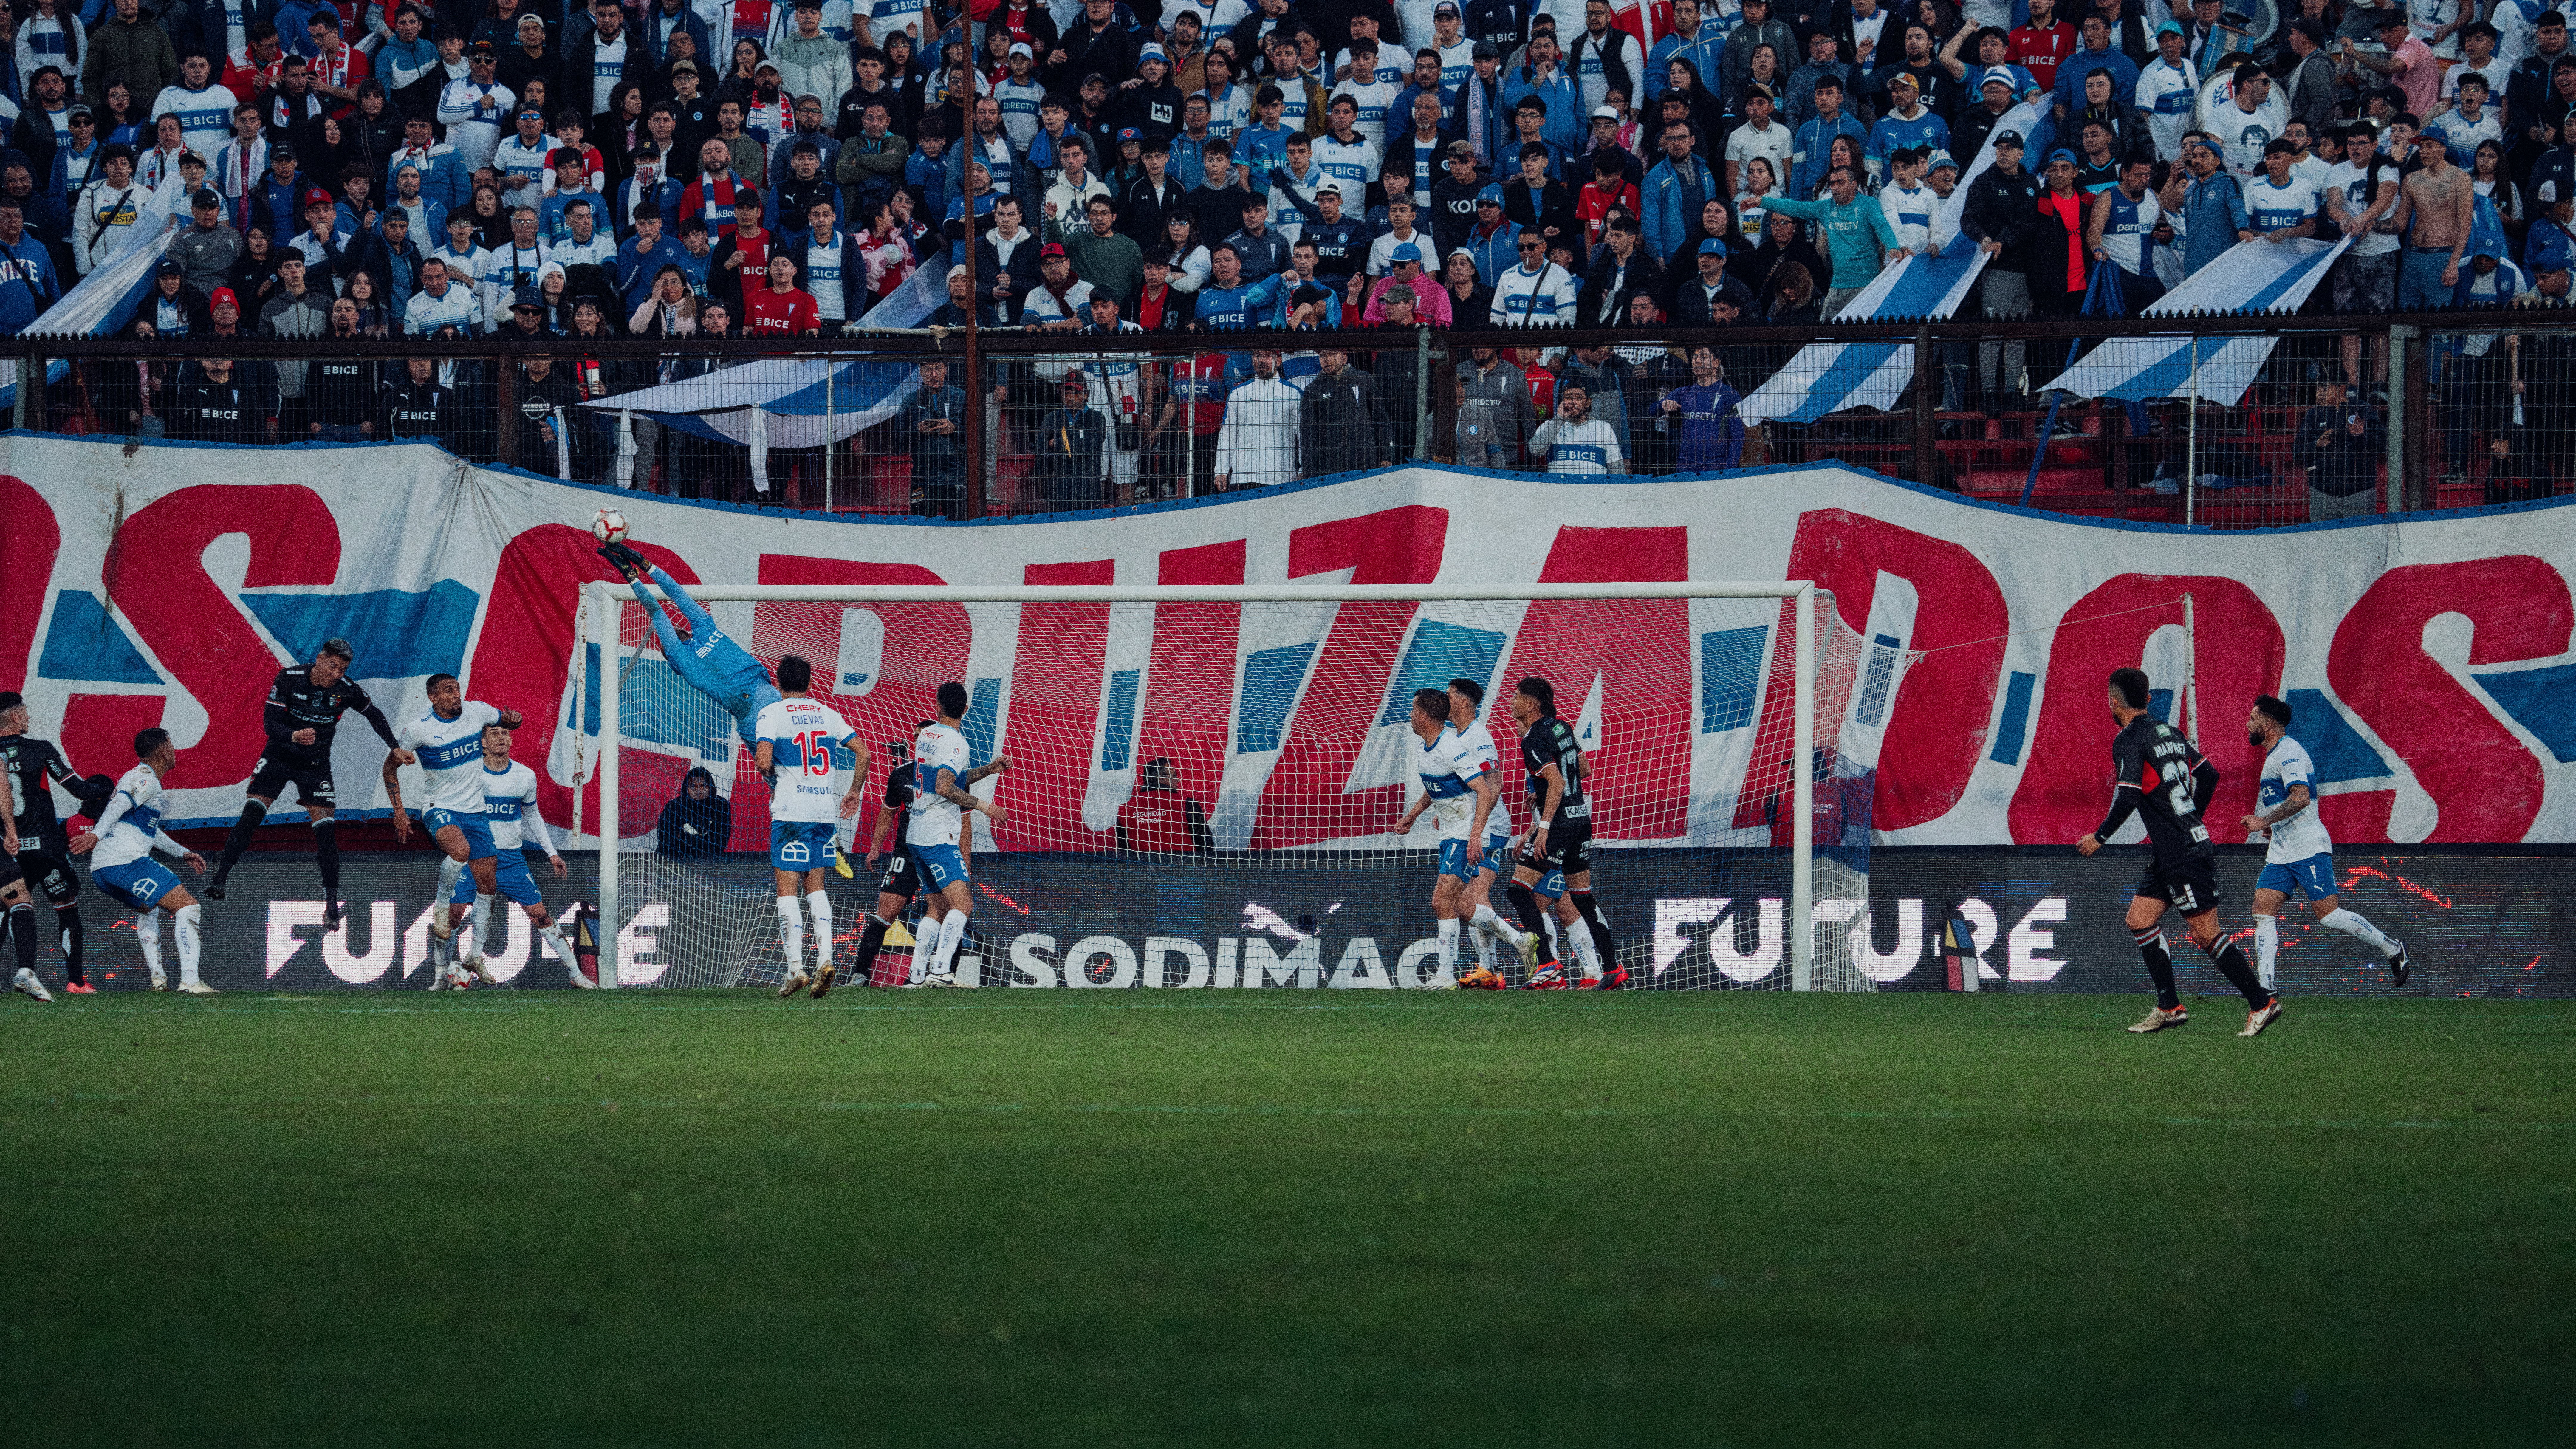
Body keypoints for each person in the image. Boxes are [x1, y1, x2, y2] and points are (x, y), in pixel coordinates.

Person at [2077, 667, 2281, 1036]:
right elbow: (2211, 776)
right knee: (2140, 919)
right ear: (2150, 699)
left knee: (2206, 934)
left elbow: (2128, 795)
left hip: (2183, 852)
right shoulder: (2170, 733)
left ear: (2112, 702)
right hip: (2176, 848)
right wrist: (2189, 820)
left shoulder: (2128, 740)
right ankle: (2169, 1006)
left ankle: (2261, 1002)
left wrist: (2100, 837)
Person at [202, 639, 411, 929]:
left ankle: (331, 909)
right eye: (332, 666)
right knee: (252, 815)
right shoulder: (290, 679)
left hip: (315, 765)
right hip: (279, 755)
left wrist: (395, 747)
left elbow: (374, 715)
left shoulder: (347, 689)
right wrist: (293, 736)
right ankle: (221, 879)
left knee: (327, 833)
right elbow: (270, 724)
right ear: (319, 659)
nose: (336, 674)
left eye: (343, 669)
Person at [2238, 695, 2411, 993]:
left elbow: (2301, 797)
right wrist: (2274, 828)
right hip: (2282, 849)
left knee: (2328, 915)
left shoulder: (2288, 752)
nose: (2247, 724)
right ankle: (2266, 990)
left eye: (2253, 719)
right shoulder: (2275, 756)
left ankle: (2393, 949)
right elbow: (2293, 802)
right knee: (2262, 910)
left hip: (2307, 847)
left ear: (2267, 725)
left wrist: (2264, 821)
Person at [384, 675, 526, 982]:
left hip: (475, 812)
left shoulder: (479, 712)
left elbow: (506, 720)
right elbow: (390, 766)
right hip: (440, 807)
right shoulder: (419, 729)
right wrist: (398, 811)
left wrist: (515, 720)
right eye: (449, 691)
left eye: (458, 689)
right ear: (434, 699)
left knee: (488, 887)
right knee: (460, 852)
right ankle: (441, 906)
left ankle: (475, 955)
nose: (457, 695)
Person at [431, 724, 592, 991]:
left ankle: (577, 976)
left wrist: (551, 853)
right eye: (494, 733)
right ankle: (440, 979)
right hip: (475, 859)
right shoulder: (468, 776)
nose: (502, 737)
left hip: (510, 861)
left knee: (541, 917)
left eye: (505, 733)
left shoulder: (525, 776)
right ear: (482, 742)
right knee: (453, 917)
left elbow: (532, 816)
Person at [746, 654, 866, 998]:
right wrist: (854, 791)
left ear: (778, 684)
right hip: (823, 812)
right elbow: (865, 754)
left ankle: (795, 968)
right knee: (817, 889)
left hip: (790, 812)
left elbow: (763, 761)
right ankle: (826, 959)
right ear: (811, 683)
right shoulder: (828, 714)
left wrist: (771, 774)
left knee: (788, 892)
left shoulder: (772, 713)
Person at [1393, 687, 1523, 990]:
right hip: (1453, 833)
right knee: (1464, 908)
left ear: (1423, 716)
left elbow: (1487, 787)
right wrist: (1414, 814)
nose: (1410, 716)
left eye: (1413, 711)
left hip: (1467, 834)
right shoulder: (1430, 747)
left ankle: (1448, 974)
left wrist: (1476, 835)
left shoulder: (1458, 743)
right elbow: (1441, 786)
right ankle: (1521, 940)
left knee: (1442, 902)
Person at [68, 728, 211, 995]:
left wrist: (182, 852)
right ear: (165, 752)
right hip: (125, 862)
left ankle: (158, 979)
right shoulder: (145, 777)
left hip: (103, 870)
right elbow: (119, 803)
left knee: (150, 909)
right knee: (189, 908)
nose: (175, 750)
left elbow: (149, 830)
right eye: (172, 744)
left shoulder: (138, 779)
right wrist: (96, 835)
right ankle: (191, 982)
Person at [598, 543, 781, 750]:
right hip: (754, 710)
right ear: (673, 662)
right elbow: (658, 612)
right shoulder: (685, 661)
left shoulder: (704, 629)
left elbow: (677, 594)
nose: (668, 637)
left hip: (767, 694)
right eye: (665, 646)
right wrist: (633, 577)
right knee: (778, 772)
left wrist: (643, 565)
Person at [1502, 674, 1620, 989]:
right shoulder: (1562, 726)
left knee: (1517, 891)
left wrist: (1542, 828)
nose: (1511, 702)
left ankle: (1548, 964)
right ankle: (1613, 968)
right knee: (1582, 897)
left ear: (1530, 705)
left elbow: (1557, 781)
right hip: (1581, 820)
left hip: (1558, 825)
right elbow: (1584, 770)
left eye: (1515, 698)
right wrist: (1541, 793)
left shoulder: (1532, 739)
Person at [0, 691, 108, 995]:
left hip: (9, 850)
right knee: (67, 909)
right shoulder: (40, 749)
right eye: (26, 711)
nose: (30, 716)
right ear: (16, 718)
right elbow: (80, 789)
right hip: (46, 850)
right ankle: (76, 982)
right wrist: (105, 787)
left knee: (6, 907)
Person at [902, 682, 1008, 990]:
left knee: (938, 908)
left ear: (937, 706)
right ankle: (941, 972)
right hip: (938, 834)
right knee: (963, 905)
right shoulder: (957, 743)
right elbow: (946, 787)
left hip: (917, 832)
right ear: (965, 710)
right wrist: (986, 807)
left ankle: (917, 976)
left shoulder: (927, 736)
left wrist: (988, 770)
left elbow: (948, 777)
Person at [2395, 128, 2475, 307]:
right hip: (2412, 255)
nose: (2424, 152)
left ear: (2443, 148)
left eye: (2430, 146)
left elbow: (2465, 226)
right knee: (2406, 322)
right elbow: (2400, 222)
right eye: (2422, 147)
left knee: (2436, 321)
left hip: (2441, 256)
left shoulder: (2460, 178)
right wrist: (2371, 223)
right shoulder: (2411, 179)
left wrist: (2453, 264)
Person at [1656, 343, 1744, 470]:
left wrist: (1728, 471)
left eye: (1703, 357)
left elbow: (1738, 436)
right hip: (1685, 469)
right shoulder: (1684, 392)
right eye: (1695, 357)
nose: (1697, 361)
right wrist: (1663, 405)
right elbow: (1652, 411)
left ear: (1716, 363)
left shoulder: (1729, 395)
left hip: (1716, 470)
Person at [1528, 381, 1625, 473]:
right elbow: (1534, 450)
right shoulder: (1550, 426)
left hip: (1594, 489)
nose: (1573, 402)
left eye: (1579, 398)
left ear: (1588, 403)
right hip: (1560, 489)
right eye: (1569, 398)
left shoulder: (1604, 428)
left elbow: (1617, 471)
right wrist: (1560, 419)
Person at [654, 765, 732, 860]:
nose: (699, 791)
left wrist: (682, 836)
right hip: (673, 860)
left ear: (711, 787)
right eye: (693, 787)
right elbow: (665, 840)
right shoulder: (674, 806)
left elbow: (719, 845)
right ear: (686, 788)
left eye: (704, 786)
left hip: (708, 861)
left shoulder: (721, 806)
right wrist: (700, 841)